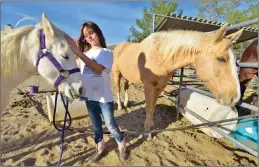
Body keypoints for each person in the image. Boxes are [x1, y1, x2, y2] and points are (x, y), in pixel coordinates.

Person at [65, 21, 128, 162]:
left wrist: (78, 53)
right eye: (86, 36)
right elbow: (77, 73)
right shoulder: (84, 54)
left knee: (111, 125)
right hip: (89, 97)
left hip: (104, 98)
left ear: (98, 33)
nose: (89, 37)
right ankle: (100, 147)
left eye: (91, 33)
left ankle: (122, 143)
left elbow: (98, 68)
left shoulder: (106, 53)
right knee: (96, 127)